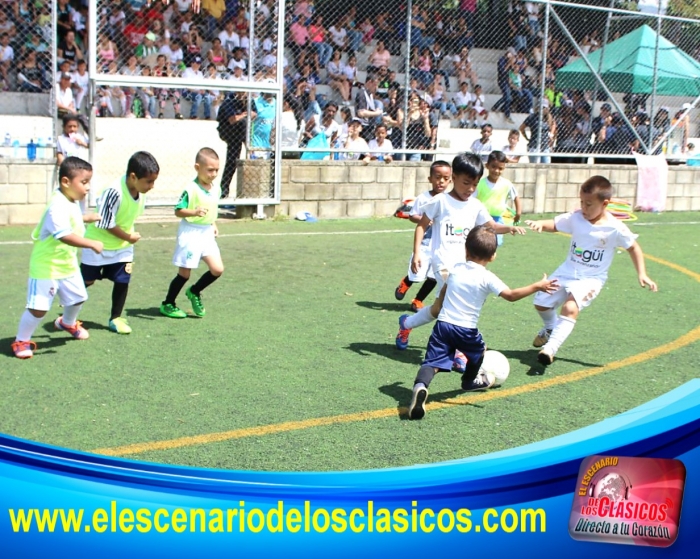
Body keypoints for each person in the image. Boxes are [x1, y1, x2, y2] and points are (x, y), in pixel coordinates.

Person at [407, 225, 558, 420]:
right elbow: (511, 296)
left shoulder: (456, 268)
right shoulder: (487, 277)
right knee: (479, 351)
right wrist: (537, 286)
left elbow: (444, 292)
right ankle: (469, 381)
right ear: (493, 256)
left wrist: (439, 305)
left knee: (432, 363)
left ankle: (420, 386)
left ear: (466, 250)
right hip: (466, 329)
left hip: (443, 326)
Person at [395, 153, 526, 352]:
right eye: (466, 183)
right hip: (443, 265)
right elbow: (421, 226)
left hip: (465, 266)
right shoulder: (441, 201)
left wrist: (509, 228)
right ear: (453, 178)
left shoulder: (475, 205)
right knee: (454, 307)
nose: (471, 189)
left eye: (474, 184)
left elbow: (490, 225)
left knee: (438, 309)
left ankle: (406, 324)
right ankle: (458, 351)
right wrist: (417, 253)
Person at [525, 175, 658, 366]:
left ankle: (550, 349)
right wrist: (540, 224)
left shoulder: (615, 228)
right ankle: (550, 328)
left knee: (570, 308)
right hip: (567, 271)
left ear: (605, 203)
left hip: (591, 278)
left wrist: (642, 273)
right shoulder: (576, 217)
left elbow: (633, 247)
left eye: (589, 204)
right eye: (581, 202)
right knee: (541, 304)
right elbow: (554, 224)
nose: (583, 208)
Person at [12, 157, 103, 359]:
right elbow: (63, 234)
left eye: (89, 182)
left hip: (66, 265)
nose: (87, 188)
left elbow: (71, 218)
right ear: (65, 182)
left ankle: (67, 323)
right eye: (84, 182)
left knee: (79, 297)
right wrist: (92, 244)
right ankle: (21, 340)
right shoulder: (57, 205)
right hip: (46, 267)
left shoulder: (70, 200)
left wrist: (86, 217)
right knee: (38, 309)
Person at [81, 152, 160, 334]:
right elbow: (106, 223)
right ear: (133, 177)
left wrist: (127, 239)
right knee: (87, 281)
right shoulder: (114, 192)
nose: (152, 186)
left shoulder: (141, 193)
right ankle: (69, 312)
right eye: (149, 181)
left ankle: (115, 318)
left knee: (122, 281)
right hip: (97, 246)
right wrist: (128, 237)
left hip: (122, 248)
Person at [160, 148, 224, 319]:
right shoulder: (191, 189)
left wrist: (213, 223)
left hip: (206, 232)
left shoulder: (215, 188)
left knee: (217, 269)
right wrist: (194, 212)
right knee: (184, 274)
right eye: (210, 170)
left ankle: (194, 291)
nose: (214, 174)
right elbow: (178, 211)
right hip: (190, 233)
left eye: (217, 170)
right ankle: (168, 303)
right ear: (197, 167)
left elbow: (210, 208)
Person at [394, 160, 451, 312]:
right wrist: (424, 220)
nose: (441, 181)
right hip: (425, 244)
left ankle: (418, 300)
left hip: (440, 246)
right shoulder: (423, 198)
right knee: (417, 272)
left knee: (434, 276)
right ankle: (406, 282)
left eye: (445, 178)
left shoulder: (449, 200)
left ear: (450, 180)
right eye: (438, 177)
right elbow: (412, 216)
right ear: (430, 179)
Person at [474, 151, 522, 247]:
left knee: (496, 242)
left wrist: (518, 213)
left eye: (500, 168)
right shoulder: (480, 183)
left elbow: (516, 196)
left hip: (497, 218)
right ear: (487, 166)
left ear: (504, 168)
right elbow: (472, 199)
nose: (496, 170)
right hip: (482, 218)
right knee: (480, 241)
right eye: (493, 167)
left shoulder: (506, 184)